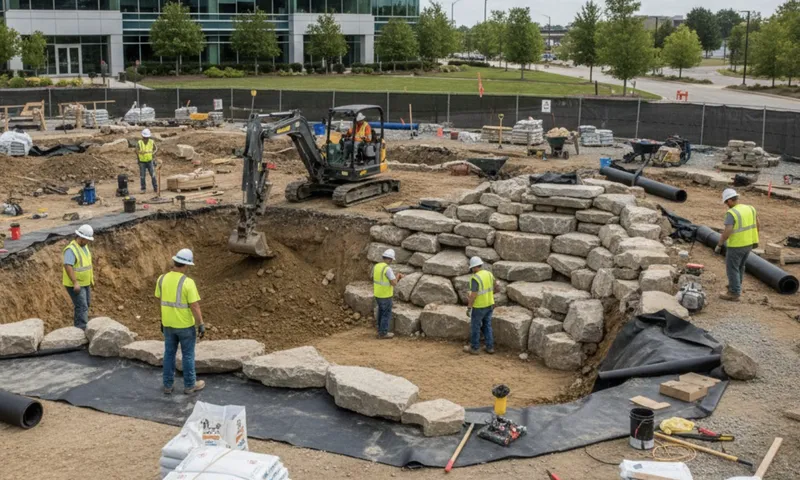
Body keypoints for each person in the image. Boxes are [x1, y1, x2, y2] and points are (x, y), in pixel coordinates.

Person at [156, 248, 206, 395]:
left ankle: (167, 385)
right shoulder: (188, 283)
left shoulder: (161, 279)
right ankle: (190, 385)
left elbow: (160, 302)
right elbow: (195, 306)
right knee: (188, 355)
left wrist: (162, 320)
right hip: (185, 326)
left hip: (168, 325)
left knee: (169, 354)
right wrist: (201, 324)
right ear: (185, 265)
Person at [715, 188, 761, 302]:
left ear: (730, 200)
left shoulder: (732, 213)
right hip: (749, 243)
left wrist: (719, 244)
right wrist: (752, 237)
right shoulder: (750, 208)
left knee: (732, 268)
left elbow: (727, 231)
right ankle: (736, 286)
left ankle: (734, 292)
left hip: (736, 245)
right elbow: (757, 224)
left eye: (726, 202)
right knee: (740, 266)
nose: (726, 204)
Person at [62, 224, 95, 330]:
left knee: (86, 304)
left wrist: (90, 280)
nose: (88, 242)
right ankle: (80, 329)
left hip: (85, 282)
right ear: (81, 238)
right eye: (87, 239)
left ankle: (81, 326)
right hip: (75, 284)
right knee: (82, 306)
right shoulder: (71, 250)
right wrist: (75, 282)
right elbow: (68, 265)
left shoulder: (84, 247)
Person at [466, 256, 498, 355]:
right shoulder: (489, 274)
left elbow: (474, 295)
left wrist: (469, 307)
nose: (472, 270)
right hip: (489, 304)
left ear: (474, 267)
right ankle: (490, 347)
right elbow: (496, 286)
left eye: (472, 268)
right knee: (487, 325)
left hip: (479, 307)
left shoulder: (475, 278)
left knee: (475, 327)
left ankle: (474, 348)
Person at [372, 248, 403, 339]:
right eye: (392, 260)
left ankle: (380, 329)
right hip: (385, 295)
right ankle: (383, 333)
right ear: (389, 259)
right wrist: (398, 276)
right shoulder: (387, 269)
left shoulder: (376, 266)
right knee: (386, 314)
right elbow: (394, 283)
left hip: (378, 294)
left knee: (381, 312)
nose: (392, 261)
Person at [136, 128, 158, 194]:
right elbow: (136, 151)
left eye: (147, 137)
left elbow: (156, 148)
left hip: (150, 160)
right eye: (145, 137)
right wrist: (138, 159)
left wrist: (153, 154)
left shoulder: (151, 142)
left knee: (153, 175)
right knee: (142, 176)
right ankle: (143, 189)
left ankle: (155, 188)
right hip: (142, 161)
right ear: (142, 136)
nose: (146, 138)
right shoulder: (139, 142)